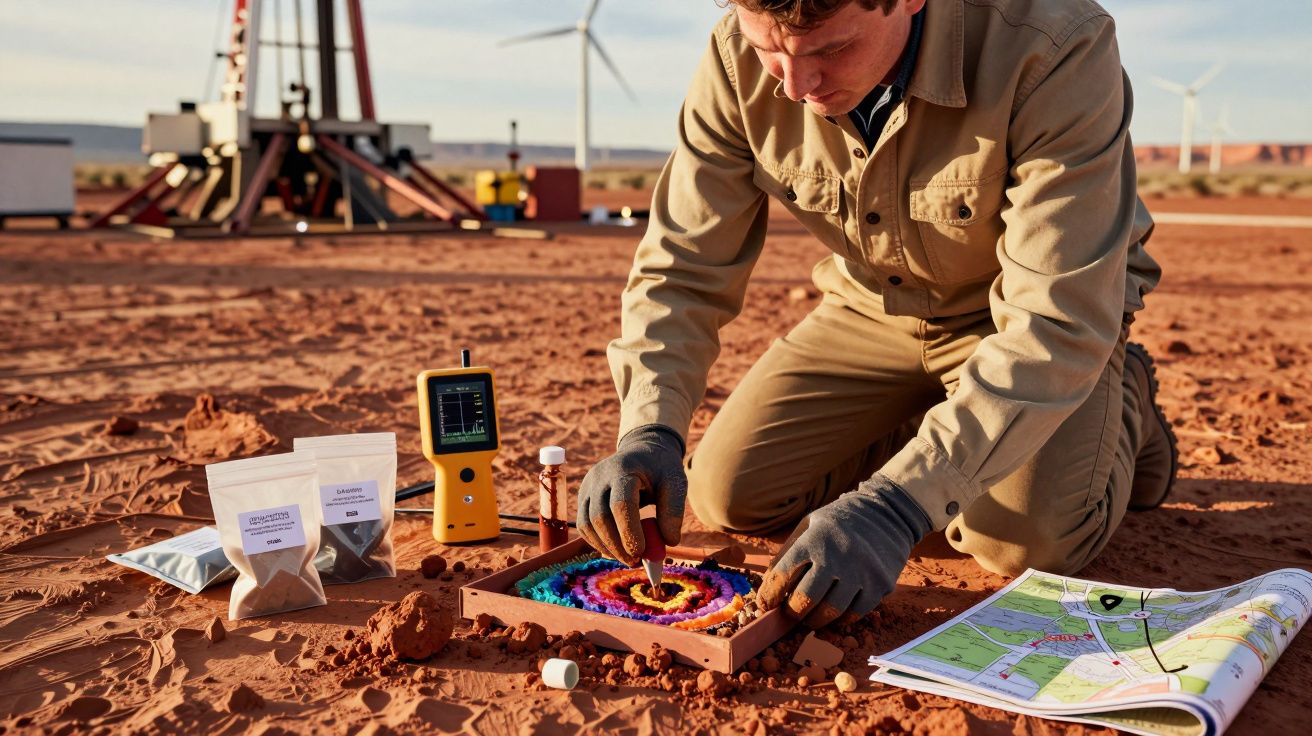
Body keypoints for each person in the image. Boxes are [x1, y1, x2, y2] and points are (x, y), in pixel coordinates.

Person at [576, 0, 1175, 629]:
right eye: (768, 52)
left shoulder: (1055, 45)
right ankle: (948, 425)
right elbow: (684, 264)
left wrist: (896, 505)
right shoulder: (737, 56)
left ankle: (1120, 391)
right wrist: (650, 427)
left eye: (831, 50)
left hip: (1025, 320)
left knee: (1020, 543)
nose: (794, 86)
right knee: (728, 496)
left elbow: (1057, 318)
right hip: (872, 306)